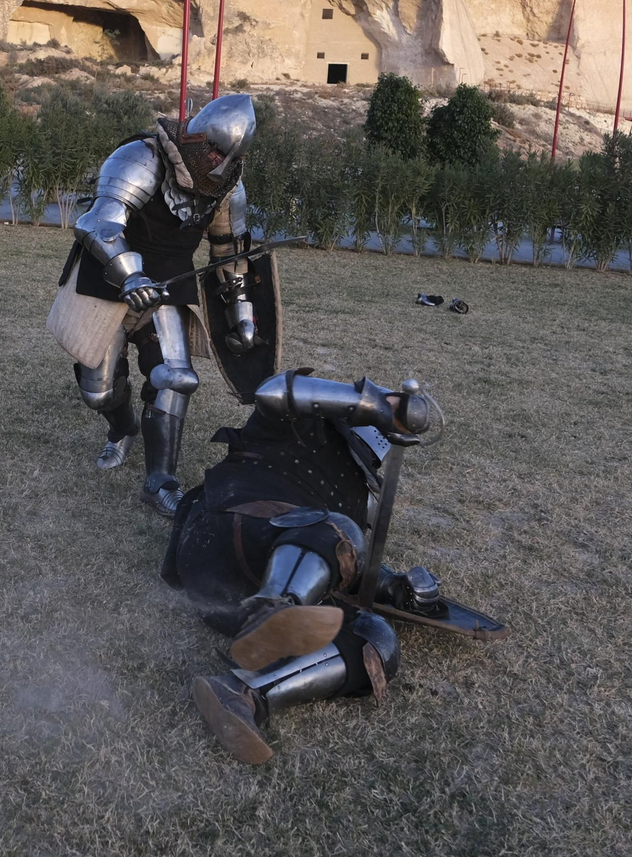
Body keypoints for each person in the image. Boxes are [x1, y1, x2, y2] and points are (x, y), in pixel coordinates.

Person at [163, 369, 431, 764]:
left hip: (233, 605)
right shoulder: (304, 421)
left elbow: (344, 564)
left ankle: (244, 693)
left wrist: (393, 584)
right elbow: (272, 390)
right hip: (221, 536)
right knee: (339, 531)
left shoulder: (359, 497)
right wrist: (372, 403)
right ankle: (276, 608)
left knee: (375, 638)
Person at [65, 94, 260, 516]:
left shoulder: (228, 187)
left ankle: (160, 481)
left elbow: (230, 255)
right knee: (98, 392)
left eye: (226, 156)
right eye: (213, 149)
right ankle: (123, 428)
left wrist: (241, 313)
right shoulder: (141, 157)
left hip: (172, 283)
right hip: (110, 276)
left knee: (175, 378)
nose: (218, 163)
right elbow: (98, 222)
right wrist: (130, 274)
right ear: (195, 135)